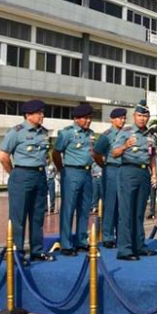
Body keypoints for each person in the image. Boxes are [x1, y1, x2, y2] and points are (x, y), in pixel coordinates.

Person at [0, 99, 55, 262]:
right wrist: (14, 173)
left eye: (42, 113)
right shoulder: (16, 132)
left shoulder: (44, 132)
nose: (42, 116)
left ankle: (37, 251)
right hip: (22, 174)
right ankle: (17, 253)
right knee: (19, 217)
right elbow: (3, 156)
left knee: (38, 215)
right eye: (39, 113)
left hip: (40, 175)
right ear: (28, 115)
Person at [111, 100, 157, 260]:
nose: (142, 119)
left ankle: (139, 246)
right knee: (126, 212)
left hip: (144, 173)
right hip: (128, 171)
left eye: (145, 116)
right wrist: (125, 146)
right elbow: (114, 153)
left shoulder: (151, 135)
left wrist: (154, 174)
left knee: (139, 212)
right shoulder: (126, 132)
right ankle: (125, 249)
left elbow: (152, 156)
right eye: (139, 115)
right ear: (134, 116)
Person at [53, 103, 95, 256]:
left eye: (90, 118)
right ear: (76, 119)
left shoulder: (90, 133)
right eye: (85, 118)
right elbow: (56, 153)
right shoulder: (67, 133)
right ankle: (66, 244)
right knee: (68, 209)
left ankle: (81, 241)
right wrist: (61, 169)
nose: (88, 121)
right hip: (71, 172)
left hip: (87, 173)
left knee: (84, 209)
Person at [92, 107, 127, 249]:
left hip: (125, 170)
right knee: (110, 204)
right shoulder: (106, 135)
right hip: (111, 170)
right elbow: (96, 153)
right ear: (112, 119)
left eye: (124, 118)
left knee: (123, 205)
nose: (122, 120)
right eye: (120, 118)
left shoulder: (127, 134)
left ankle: (122, 235)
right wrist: (104, 165)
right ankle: (108, 236)